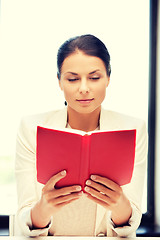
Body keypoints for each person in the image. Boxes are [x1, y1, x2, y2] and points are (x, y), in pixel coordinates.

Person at [15, 34, 148, 237]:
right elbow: (25, 214)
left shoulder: (133, 129)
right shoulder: (31, 128)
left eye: (94, 78)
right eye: (72, 79)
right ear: (59, 81)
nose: (84, 88)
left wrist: (120, 204)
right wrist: (44, 208)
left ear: (108, 78)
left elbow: (131, 219)